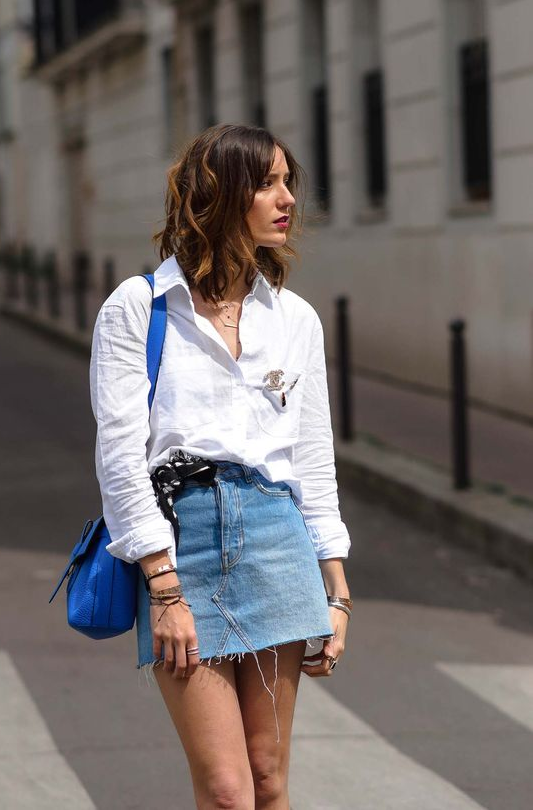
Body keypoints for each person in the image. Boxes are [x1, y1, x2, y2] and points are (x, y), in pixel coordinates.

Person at [90, 124, 352, 810]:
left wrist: (337, 587)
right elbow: (121, 461)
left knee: (269, 777)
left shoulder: (294, 319)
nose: (286, 197)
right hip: (184, 546)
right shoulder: (139, 309)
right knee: (228, 789)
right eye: (266, 182)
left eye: (287, 180)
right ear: (219, 194)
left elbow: (312, 460)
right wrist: (165, 589)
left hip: (276, 538)